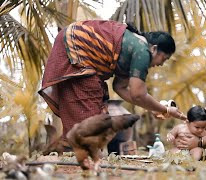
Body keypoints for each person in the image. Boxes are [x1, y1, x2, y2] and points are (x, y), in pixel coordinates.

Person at [38, 20, 187, 151]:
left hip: (73, 46)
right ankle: (77, 156)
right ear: (154, 48)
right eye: (164, 58)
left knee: (89, 116)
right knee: (90, 122)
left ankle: (70, 153)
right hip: (76, 48)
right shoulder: (143, 50)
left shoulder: (134, 49)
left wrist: (155, 109)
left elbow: (120, 87)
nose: (161, 64)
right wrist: (166, 109)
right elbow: (138, 94)